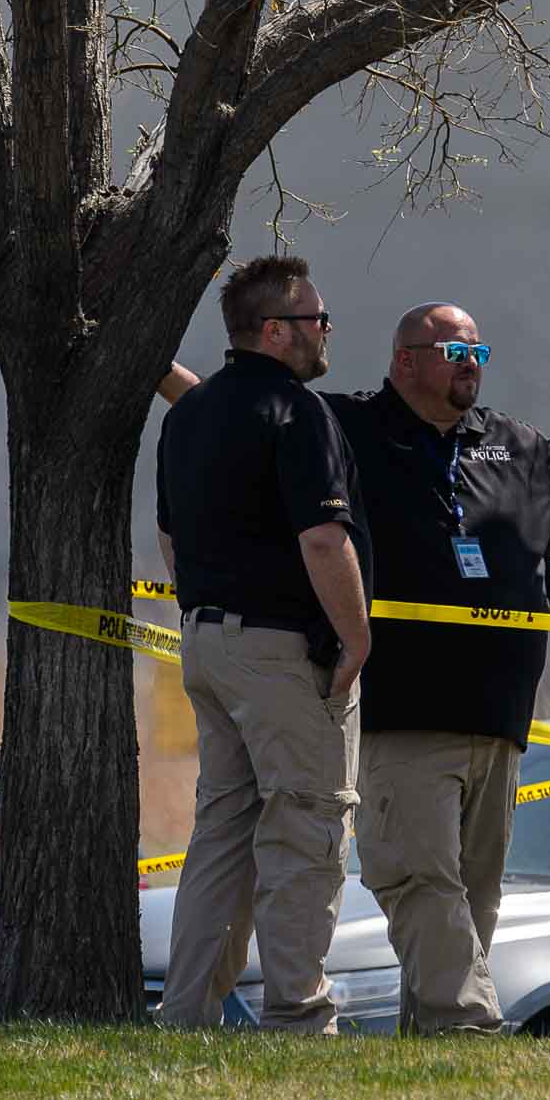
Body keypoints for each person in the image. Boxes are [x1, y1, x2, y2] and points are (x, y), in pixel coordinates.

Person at [162, 300, 550, 1033]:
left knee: (474, 892)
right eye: (455, 352)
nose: (472, 366)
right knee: (417, 874)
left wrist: (549, 575)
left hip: (498, 710)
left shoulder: (514, 443)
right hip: (401, 705)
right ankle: (463, 1023)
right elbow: (235, 410)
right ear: (405, 360)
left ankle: (433, 1032)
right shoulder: (346, 426)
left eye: (479, 353)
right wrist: (154, 366)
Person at [154, 254, 373, 1034]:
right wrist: (354, 638)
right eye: (316, 320)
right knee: (306, 829)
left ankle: (186, 1013)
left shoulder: (190, 415)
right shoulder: (296, 412)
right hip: (284, 655)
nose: (326, 332)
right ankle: (298, 1018)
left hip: (207, 645)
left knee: (221, 834)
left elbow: (170, 538)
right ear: (275, 331)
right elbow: (323, 539)